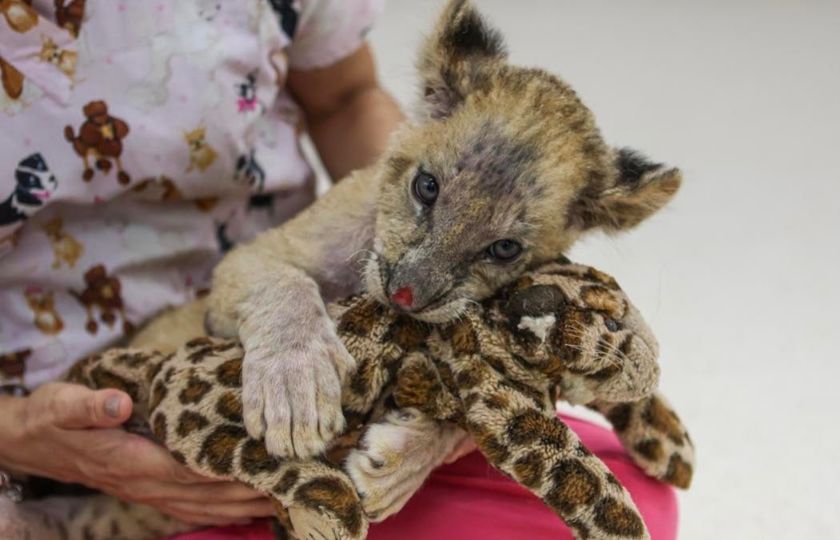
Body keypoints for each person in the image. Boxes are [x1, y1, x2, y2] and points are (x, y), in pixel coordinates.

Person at [0, 1, 678, 537]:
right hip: (66, 385)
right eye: (428, 194)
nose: (412, 287)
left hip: (321, 409)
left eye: (503, 249)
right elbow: (258, 274)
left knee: (634, 497)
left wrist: (436, 434)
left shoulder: (424, 172)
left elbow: (346, 96)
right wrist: (25, 436)